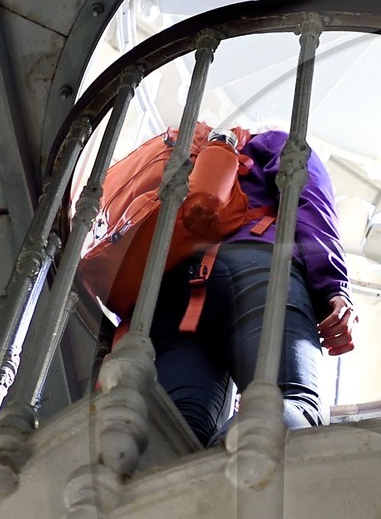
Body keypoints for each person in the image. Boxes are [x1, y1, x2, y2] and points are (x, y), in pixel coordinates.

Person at [148, 127, 355, 446]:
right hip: (254, 267)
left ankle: (163, 476)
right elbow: (310, 203)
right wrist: (333, 286)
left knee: (180, 425)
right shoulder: (276, 141)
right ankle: (227, 467)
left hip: (176, 287)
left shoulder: (189, 160)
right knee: (290, 401)